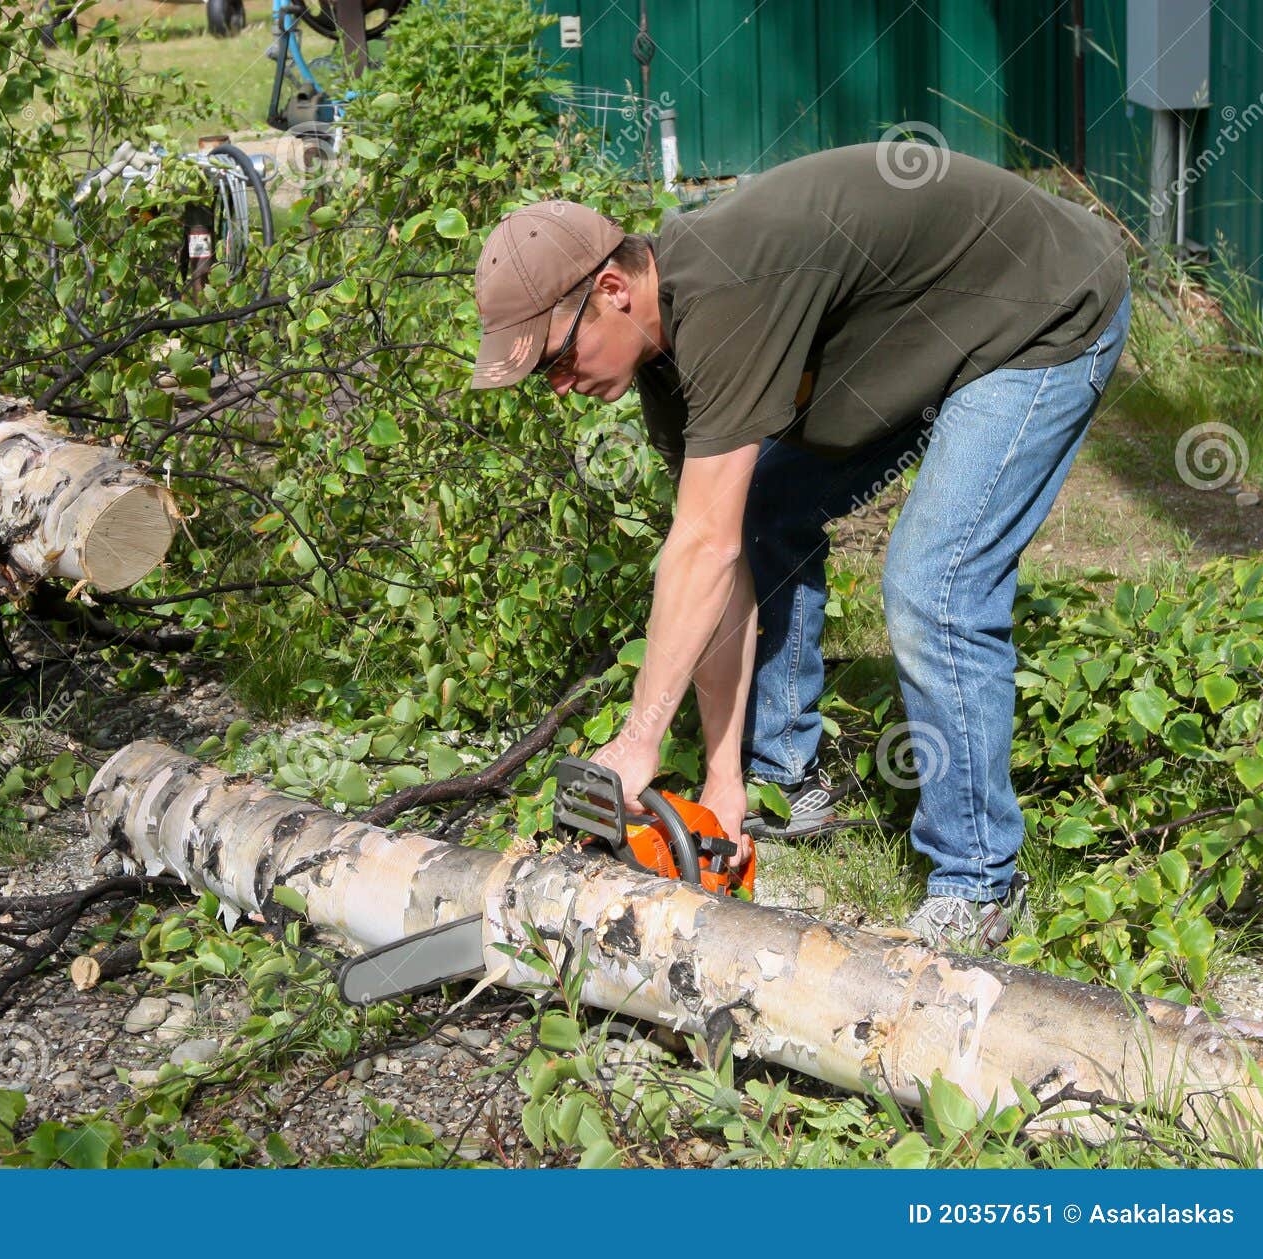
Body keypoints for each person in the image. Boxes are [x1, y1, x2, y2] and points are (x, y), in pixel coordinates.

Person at [467, 142, 1130, 951]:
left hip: (1042, 308)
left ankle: (981, 884)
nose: (563, 385)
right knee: (763, 512)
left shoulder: (725, 288)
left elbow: (701, 548)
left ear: (612, 289)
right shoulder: (662, 352)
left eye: (559, 358)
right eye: (545, 376)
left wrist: (641, 737)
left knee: (934, 581)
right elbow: (723, 552)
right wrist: (721, 781)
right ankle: (784, 779)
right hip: (931, 335)